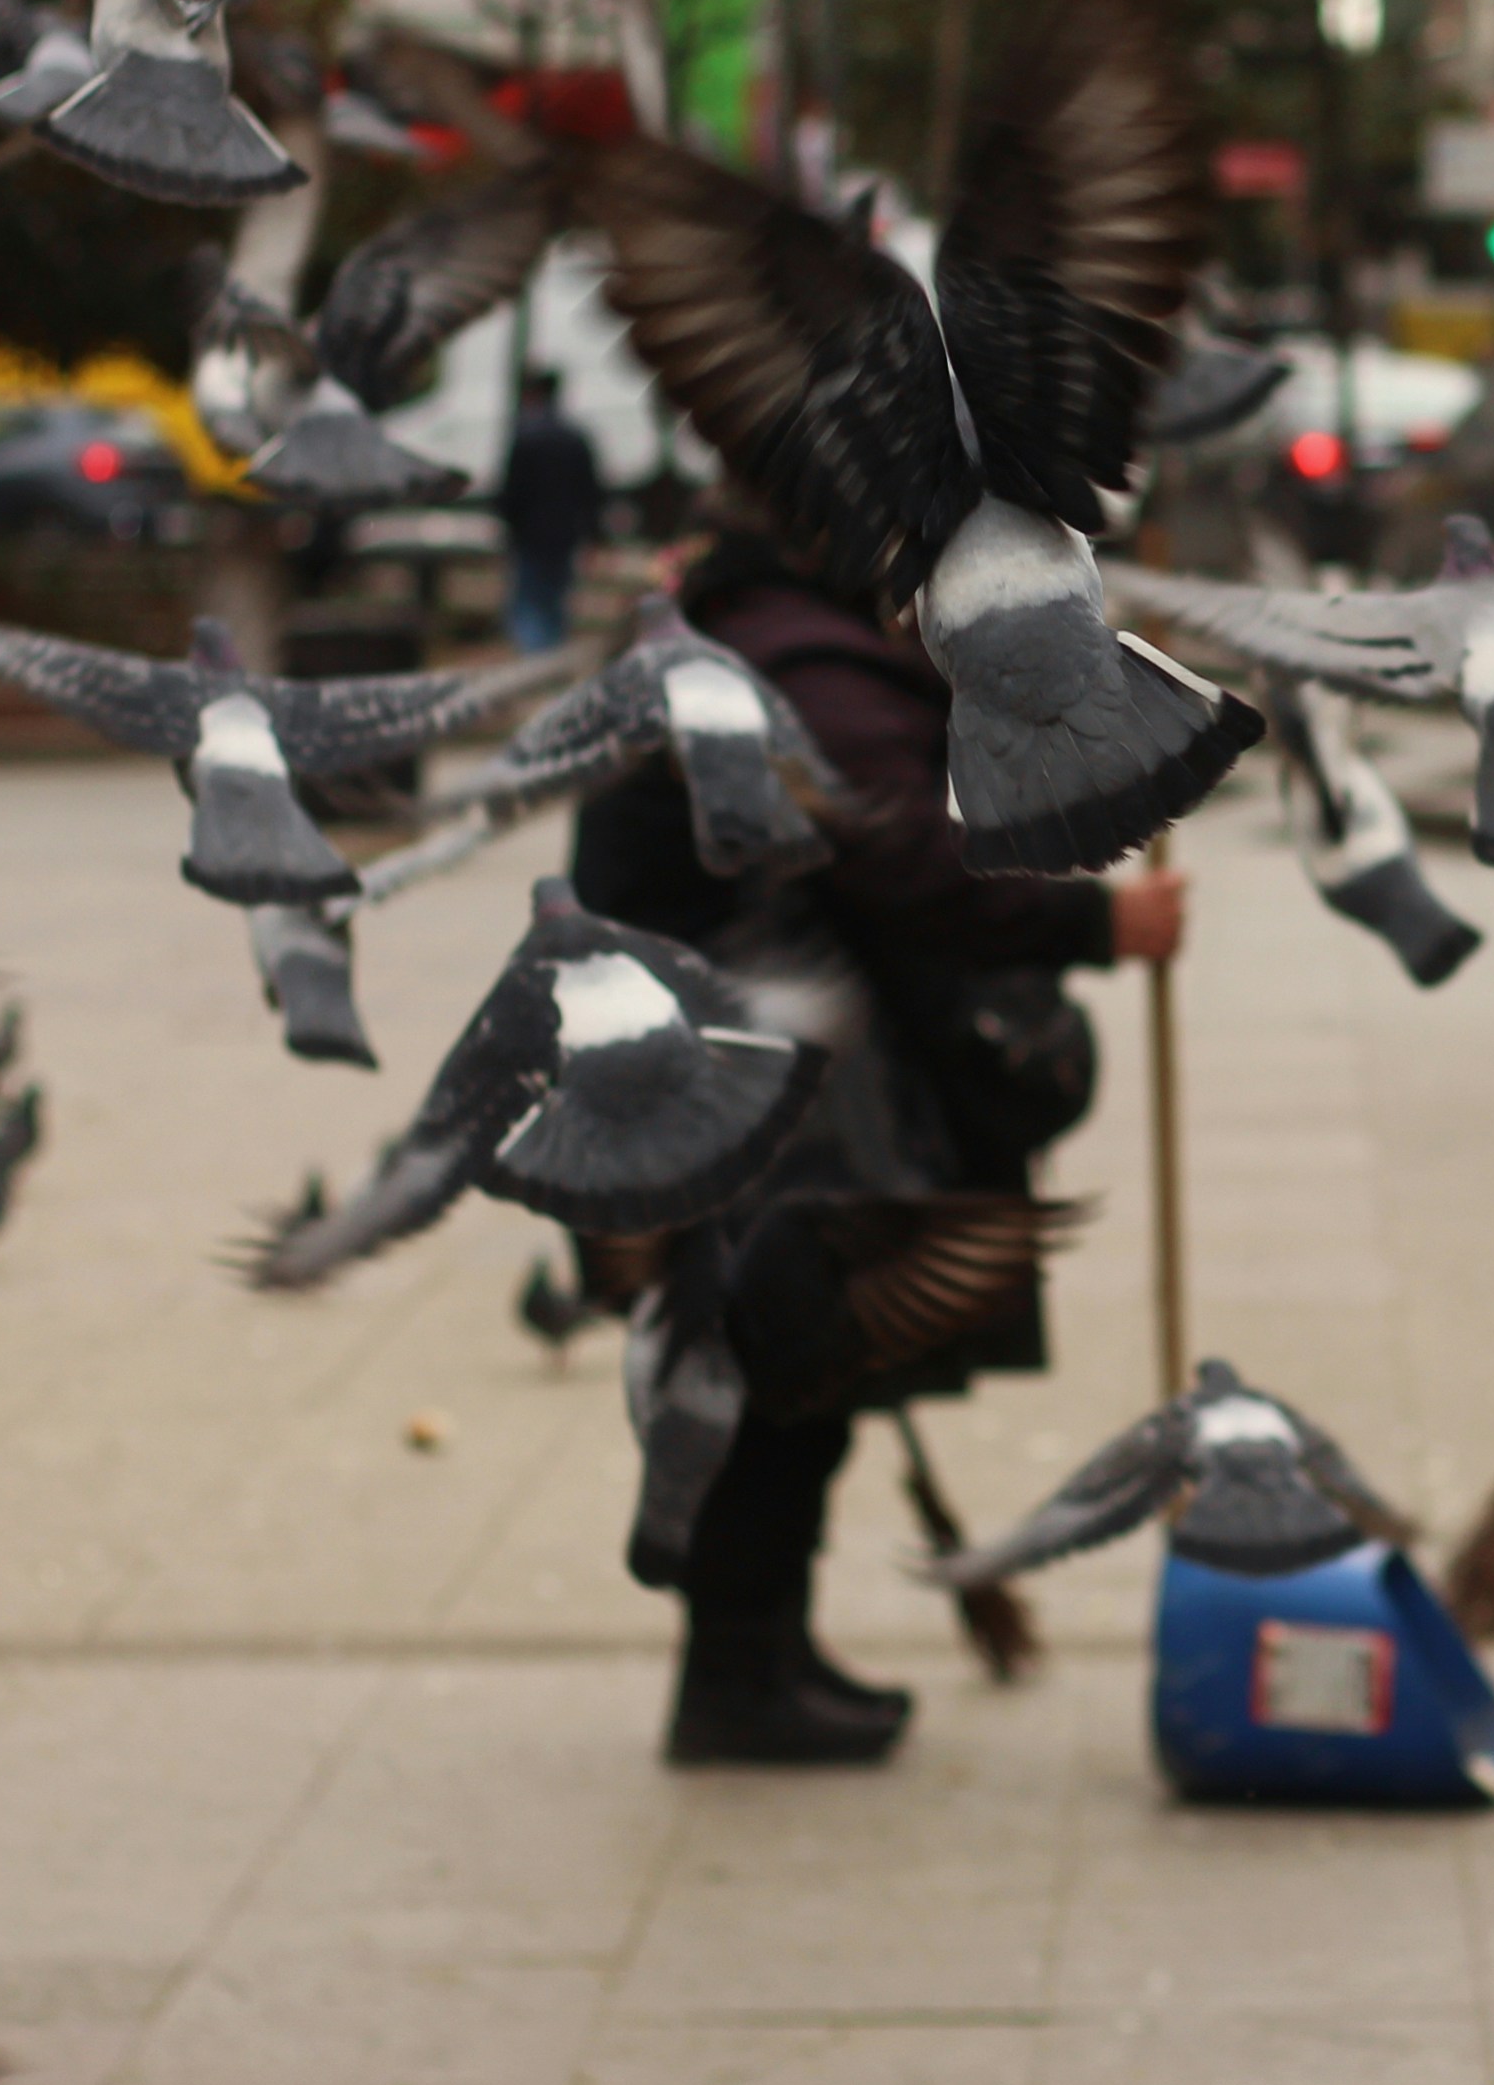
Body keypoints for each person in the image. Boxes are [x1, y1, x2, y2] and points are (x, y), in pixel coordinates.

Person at [570, 500, 1186, 1766]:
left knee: (782, 1376)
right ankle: (739, 1676)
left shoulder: (743, 636)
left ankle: (760, 1650)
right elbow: (900, 854)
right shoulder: (805, 664)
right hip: (756, 1095)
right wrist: (1093, 926)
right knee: (777, 1380)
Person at [496, 367, 604, 654]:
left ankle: (535, 660)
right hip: (566, 533)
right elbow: (591, 491)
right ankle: (552, 657)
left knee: (530, 602)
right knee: (556, 600)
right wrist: (594, 536)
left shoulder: (524, 436)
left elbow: (511, 492)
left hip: (530, 534)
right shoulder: (575, 436)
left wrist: (508, 529)